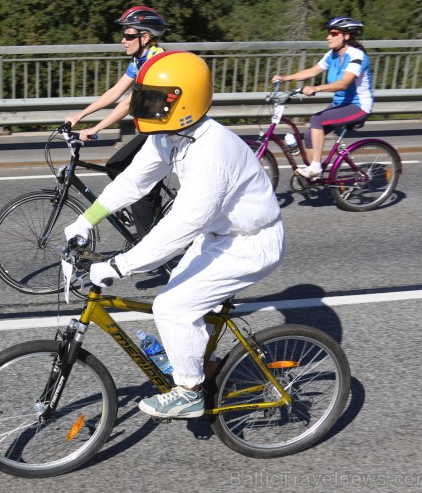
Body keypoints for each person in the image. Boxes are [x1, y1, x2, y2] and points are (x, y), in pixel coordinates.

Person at [64, 51, 285, 418]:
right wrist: (87, 218)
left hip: (251, 244)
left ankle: (190, 391)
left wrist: (120, 266)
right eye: (142, 99)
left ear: (184, 100)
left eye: (152, 101)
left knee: (172, 307)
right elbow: (135, 179)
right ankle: (208, 368)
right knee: (177, 303)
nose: (143, 108)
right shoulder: (170, 132)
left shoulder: (211, 154)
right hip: (220, 238)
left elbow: (182, 225)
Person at [65, 6, 168, 240]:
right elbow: (114, 93)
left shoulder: (156, 62)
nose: (123, 40)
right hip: (151, 130)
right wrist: (78, 117)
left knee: (129, 175)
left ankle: (149, 241)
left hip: (164, 133)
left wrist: (95, 129)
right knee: (116, 167)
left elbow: (126, 104)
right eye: (124, 35)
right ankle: (151, 210)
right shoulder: (140, 59)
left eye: (129, 36)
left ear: (145, 37)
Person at [272, 17, 373, 179]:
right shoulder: (332, 55)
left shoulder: (357, 56)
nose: (328, 37)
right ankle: (314, 175)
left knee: (317, 120)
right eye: (328, 34)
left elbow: (343, 84)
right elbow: (312, 71)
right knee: (309, 136)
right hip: (340, 104)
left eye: (333, 34)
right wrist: (284, 78)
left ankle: (316, 167)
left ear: (346, 36)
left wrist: (316, 88)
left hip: (359, 106)